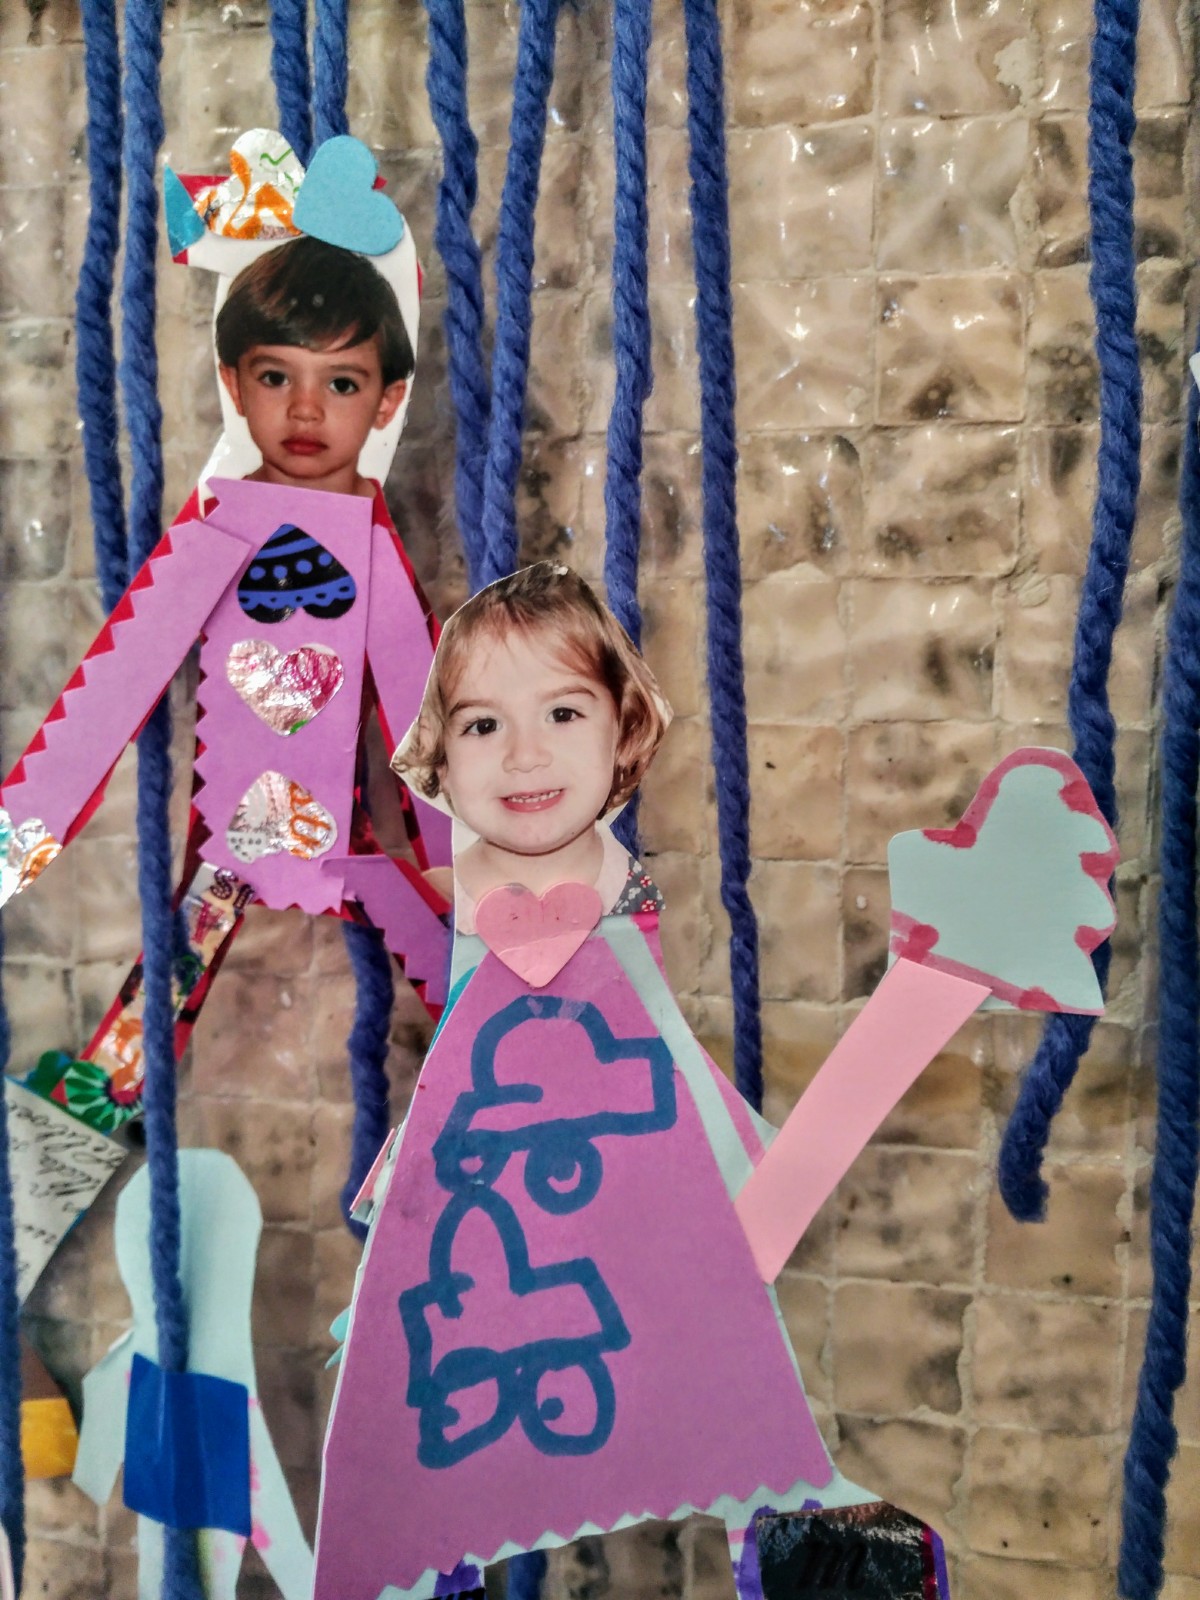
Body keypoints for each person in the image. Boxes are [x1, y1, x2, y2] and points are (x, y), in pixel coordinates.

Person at [313, 563, 874, 1600]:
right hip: (482, 1173)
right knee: (429, 1390)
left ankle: (782, 1519)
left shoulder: (611, 878)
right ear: (442, 755)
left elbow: (636, 1012)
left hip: (627, 1147)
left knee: (711, 1358)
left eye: (563, 713)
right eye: (482, 725)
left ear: (625, 730)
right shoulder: (468, 882)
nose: (523, 753)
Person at [215, 234, 414, 500]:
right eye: (275, 378)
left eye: (341, 385)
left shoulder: (412, 521)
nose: (305, 410)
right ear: (235, 387)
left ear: (386, 403)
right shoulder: (206, 521)